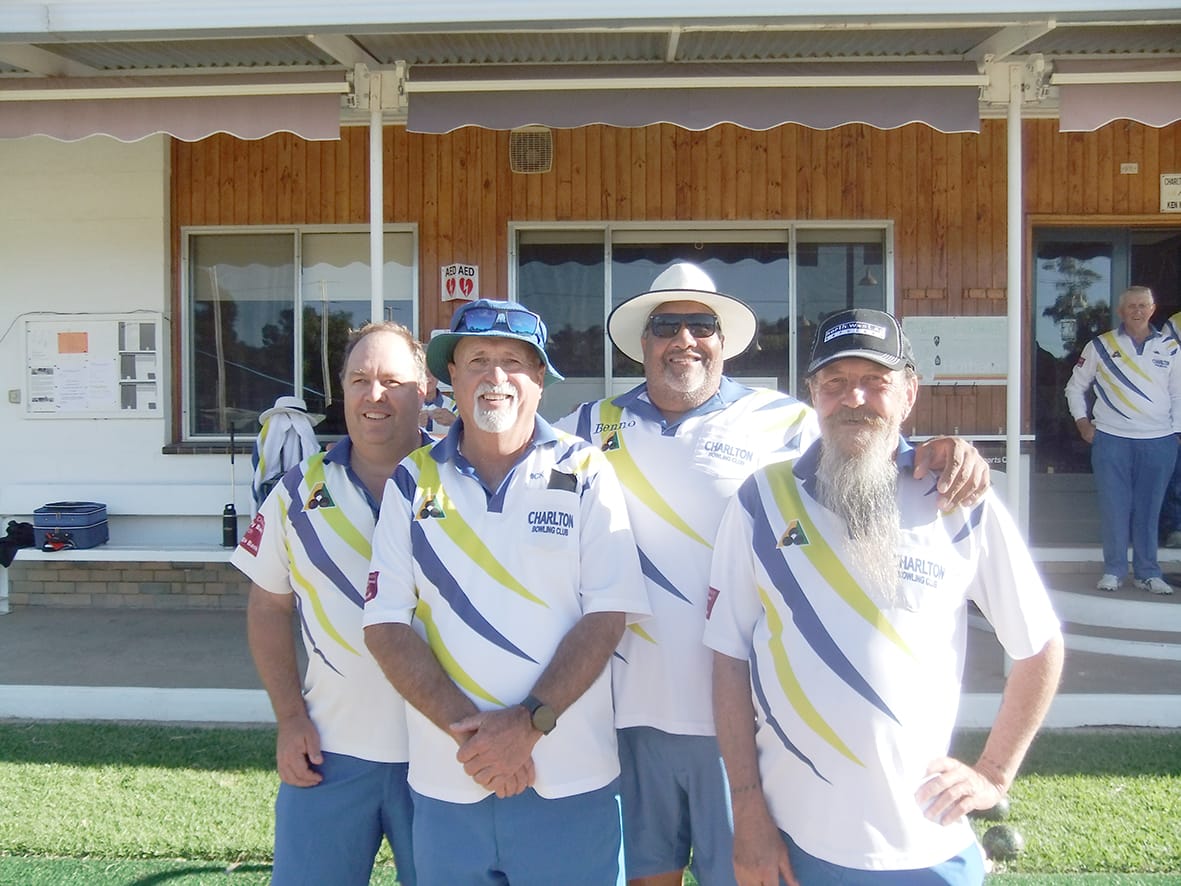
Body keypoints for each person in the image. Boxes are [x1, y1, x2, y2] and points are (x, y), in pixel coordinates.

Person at [555, 263, 992, 886]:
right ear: (642, 342)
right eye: (666, 326)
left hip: (741, 724)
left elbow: (864, 439)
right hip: (625, 714)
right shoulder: (585, 428)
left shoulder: (785, 422)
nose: (684, 339)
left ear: (723, 340)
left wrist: (942, 448)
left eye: (701, 325)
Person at [706, 308, 1064, 886]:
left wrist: (994, 774)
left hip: (929, 846)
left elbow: (1040, 645)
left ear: (909, 391)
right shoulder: (761, 501)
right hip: (797, 843)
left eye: (875, 381)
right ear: (813, 395)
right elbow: (727, 658)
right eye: (835, 382)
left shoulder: (956, 499)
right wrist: (746, 808)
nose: (855, 399)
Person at [363, 298, 650, 885]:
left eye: (514, 361)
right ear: (450, 379)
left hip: (571, 781)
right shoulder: (412, 481)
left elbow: (606, 617)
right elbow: (385, 626)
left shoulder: (587, 471)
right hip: (452, 782)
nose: (496, 377)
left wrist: (526, 727)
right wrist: (478, 740)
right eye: (477, 361)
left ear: (539, 380)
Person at [230, 322, 430, 886]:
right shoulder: (295, 492)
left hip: (441, 758)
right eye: (360, 379)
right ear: (341, 390)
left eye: (393, 380)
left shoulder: (460, 483)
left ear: (425, 390)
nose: (375, 395)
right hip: (330, 757)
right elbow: (268, 607)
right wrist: (290, 718)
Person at [1065, 285, 1181, 595]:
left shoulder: (1170, 347)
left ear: (1152, 309)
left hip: (1159, 441)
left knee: (1150, 509)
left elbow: (1178, 393)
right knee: (1114, 508)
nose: (1138, 310)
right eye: (1132, 306)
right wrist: (1082, 423)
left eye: (1143, 305)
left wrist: (1176, 432)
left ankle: (1148, 573)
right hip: (1112, 440)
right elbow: (1075, 387)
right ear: (1121, 311)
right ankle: (1114, 571)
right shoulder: (1101, 345)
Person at [420, 367, 458, 440]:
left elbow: (469, 436)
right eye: (423, 373)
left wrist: (453, 421)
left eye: (432, 373)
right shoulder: (407, 406)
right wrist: (413, 426)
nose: (428, 378)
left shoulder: (454, 407)